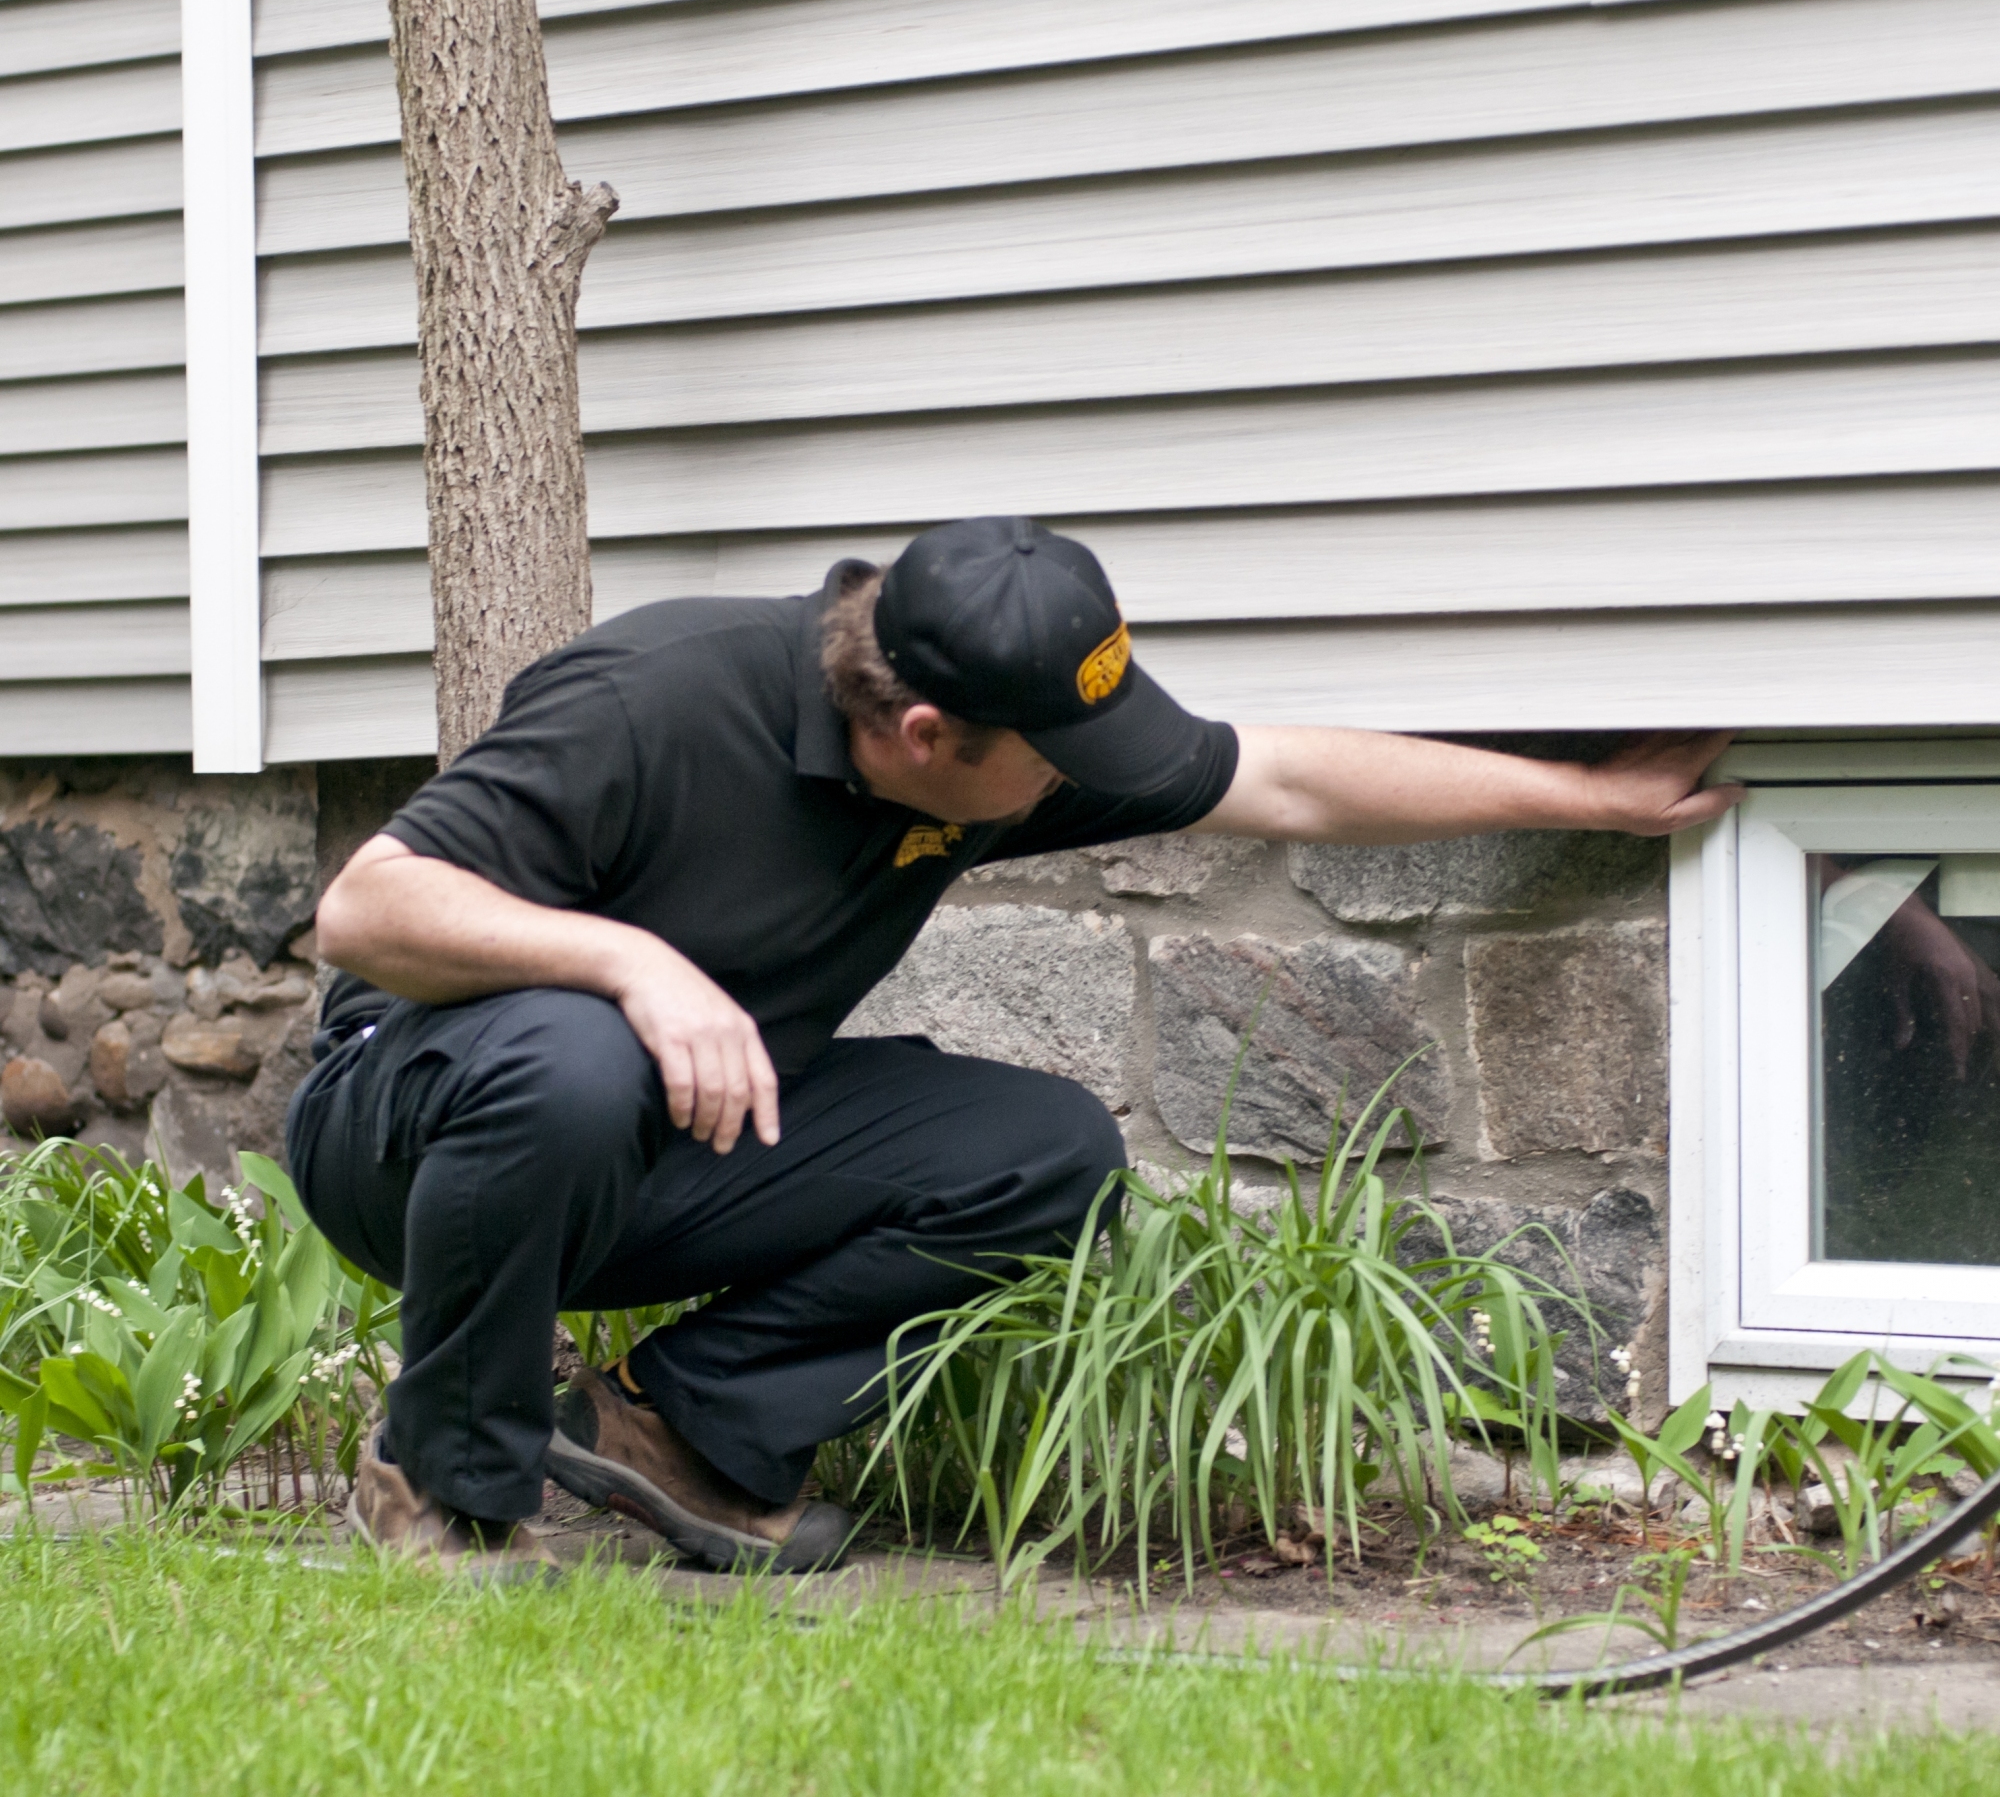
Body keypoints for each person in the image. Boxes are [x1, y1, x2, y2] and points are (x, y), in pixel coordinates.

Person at [297, 516, 1739, 1581]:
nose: (1080, 785)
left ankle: (671, 1434)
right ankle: (444, 1482)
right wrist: (633, 962)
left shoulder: (1011, 752)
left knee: (1045, 1155)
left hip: (661, 1145)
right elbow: (366, 908)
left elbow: (1288, 779)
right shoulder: (656, 696)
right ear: (924, 733)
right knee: (574, 1051)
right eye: (1052, 761)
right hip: (417, 1126)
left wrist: (1590, 801)